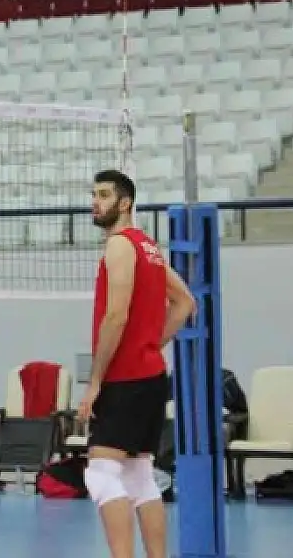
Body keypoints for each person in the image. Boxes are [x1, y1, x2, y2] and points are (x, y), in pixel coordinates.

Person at [78, 170, 196, 558]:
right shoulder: (148, 247)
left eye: (103, 195)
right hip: (151, 375)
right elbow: (185, 303)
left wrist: (95, 380)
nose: (95, 202)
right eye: (94, 195)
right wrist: (151, 344)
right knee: (139, 476)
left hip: (125, 377)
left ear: (124, 202)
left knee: (101, 474)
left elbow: (116, 316)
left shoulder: (119, 245)